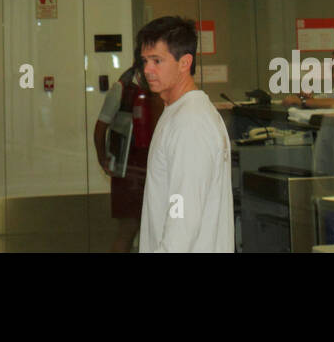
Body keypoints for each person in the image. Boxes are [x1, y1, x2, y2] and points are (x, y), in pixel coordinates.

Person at [137, 16, 233, 253]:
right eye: (145, 60)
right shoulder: (178, 111)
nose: (147, 69)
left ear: (184, 63)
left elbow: (183, 213)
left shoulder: (190, 122)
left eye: (157, 60)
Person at [93, 59, 163, 252]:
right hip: (129, 169)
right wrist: (103, 158)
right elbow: (100, 127)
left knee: (155, 230)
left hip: (154, 167)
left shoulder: (161, 87)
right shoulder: (122, 89)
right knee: (128, 228)